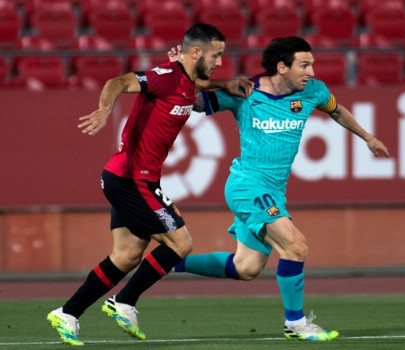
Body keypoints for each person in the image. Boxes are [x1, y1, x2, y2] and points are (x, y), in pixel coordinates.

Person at [46, 23, 253, 346]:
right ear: (195, 52)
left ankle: (67, 313)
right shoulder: (165, 76)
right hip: (132, 180)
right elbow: (117, 81)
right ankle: (124, 301)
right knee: (181, 244)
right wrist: (104, 109)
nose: (220, 61)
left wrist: (226, 83)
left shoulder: (185, 79)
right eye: (216, 55)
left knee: (127, 256)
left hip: (126, 178)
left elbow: (196, 81)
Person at [173, 36, 390, 341]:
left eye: (312, 64)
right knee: (296, 246)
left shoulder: (313, 91)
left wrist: (367, 137)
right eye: (304, 64)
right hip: (247, 186)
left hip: (273, 191)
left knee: (245, 267)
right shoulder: (244, 91)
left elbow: (337, 110)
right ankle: (296, 324)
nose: (311, 71)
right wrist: (180, 72)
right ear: (282, 67)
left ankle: (170, 261)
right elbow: (195, 103)